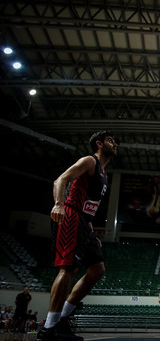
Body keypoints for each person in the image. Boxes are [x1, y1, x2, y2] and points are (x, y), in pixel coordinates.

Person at [37, 130, 119, 341]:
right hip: (71, 215)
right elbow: (60, 180)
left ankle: (62, 318)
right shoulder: (89, 161)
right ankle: (49, 328)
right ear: (99, 144)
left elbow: (89, 203)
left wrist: (90, 228)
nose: (115, 144)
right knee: (69, 269)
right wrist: (59, 204)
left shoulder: (104, 173)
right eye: (111, 141)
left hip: (84, 222)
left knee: (97, 269)